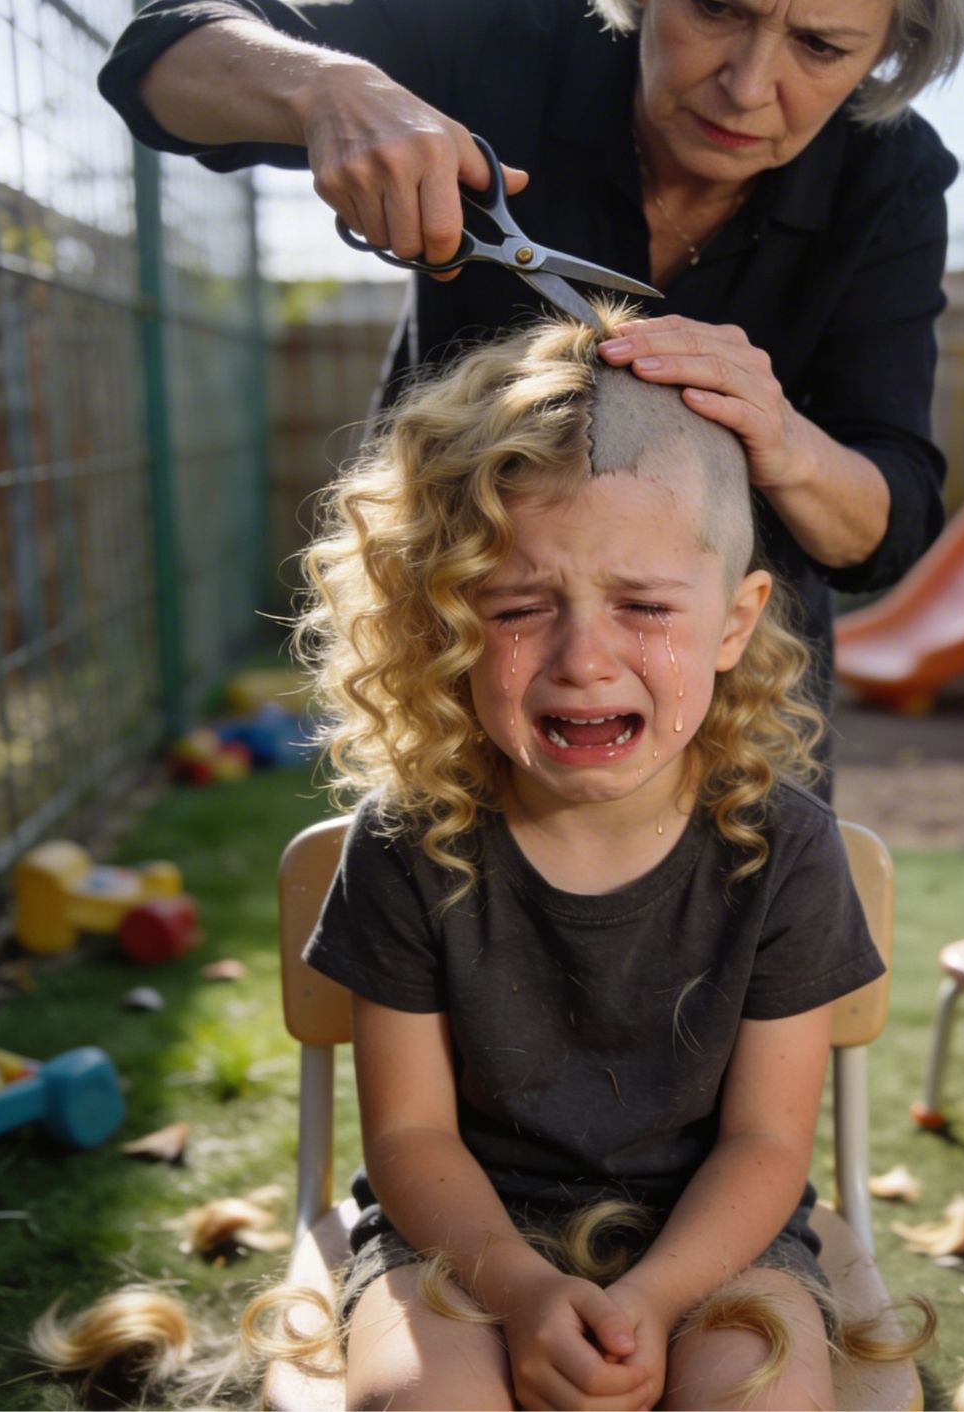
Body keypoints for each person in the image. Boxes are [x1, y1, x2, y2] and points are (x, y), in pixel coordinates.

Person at [97, 0, 964, 762]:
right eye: (716, 9)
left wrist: (784, 438)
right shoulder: (508, 30)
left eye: (821, 47)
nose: (750, 86)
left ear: (892, 48)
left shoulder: (892, 177)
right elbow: (155, 62)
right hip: (455, 662)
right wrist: (330, 89)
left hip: (728, 713)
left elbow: (888, 527)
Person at [292, 304, 900, 1410]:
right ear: (447, 621)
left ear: (734, 619)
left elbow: (766, 1145)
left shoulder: (786, 850)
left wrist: (660, 1300)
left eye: (644, 605)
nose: (584, 659)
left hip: (716, 1247)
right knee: (418, 1402)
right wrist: (522, 1292)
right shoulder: (407, 838)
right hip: (460, 1244)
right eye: (520, 606)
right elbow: (412, 1135)